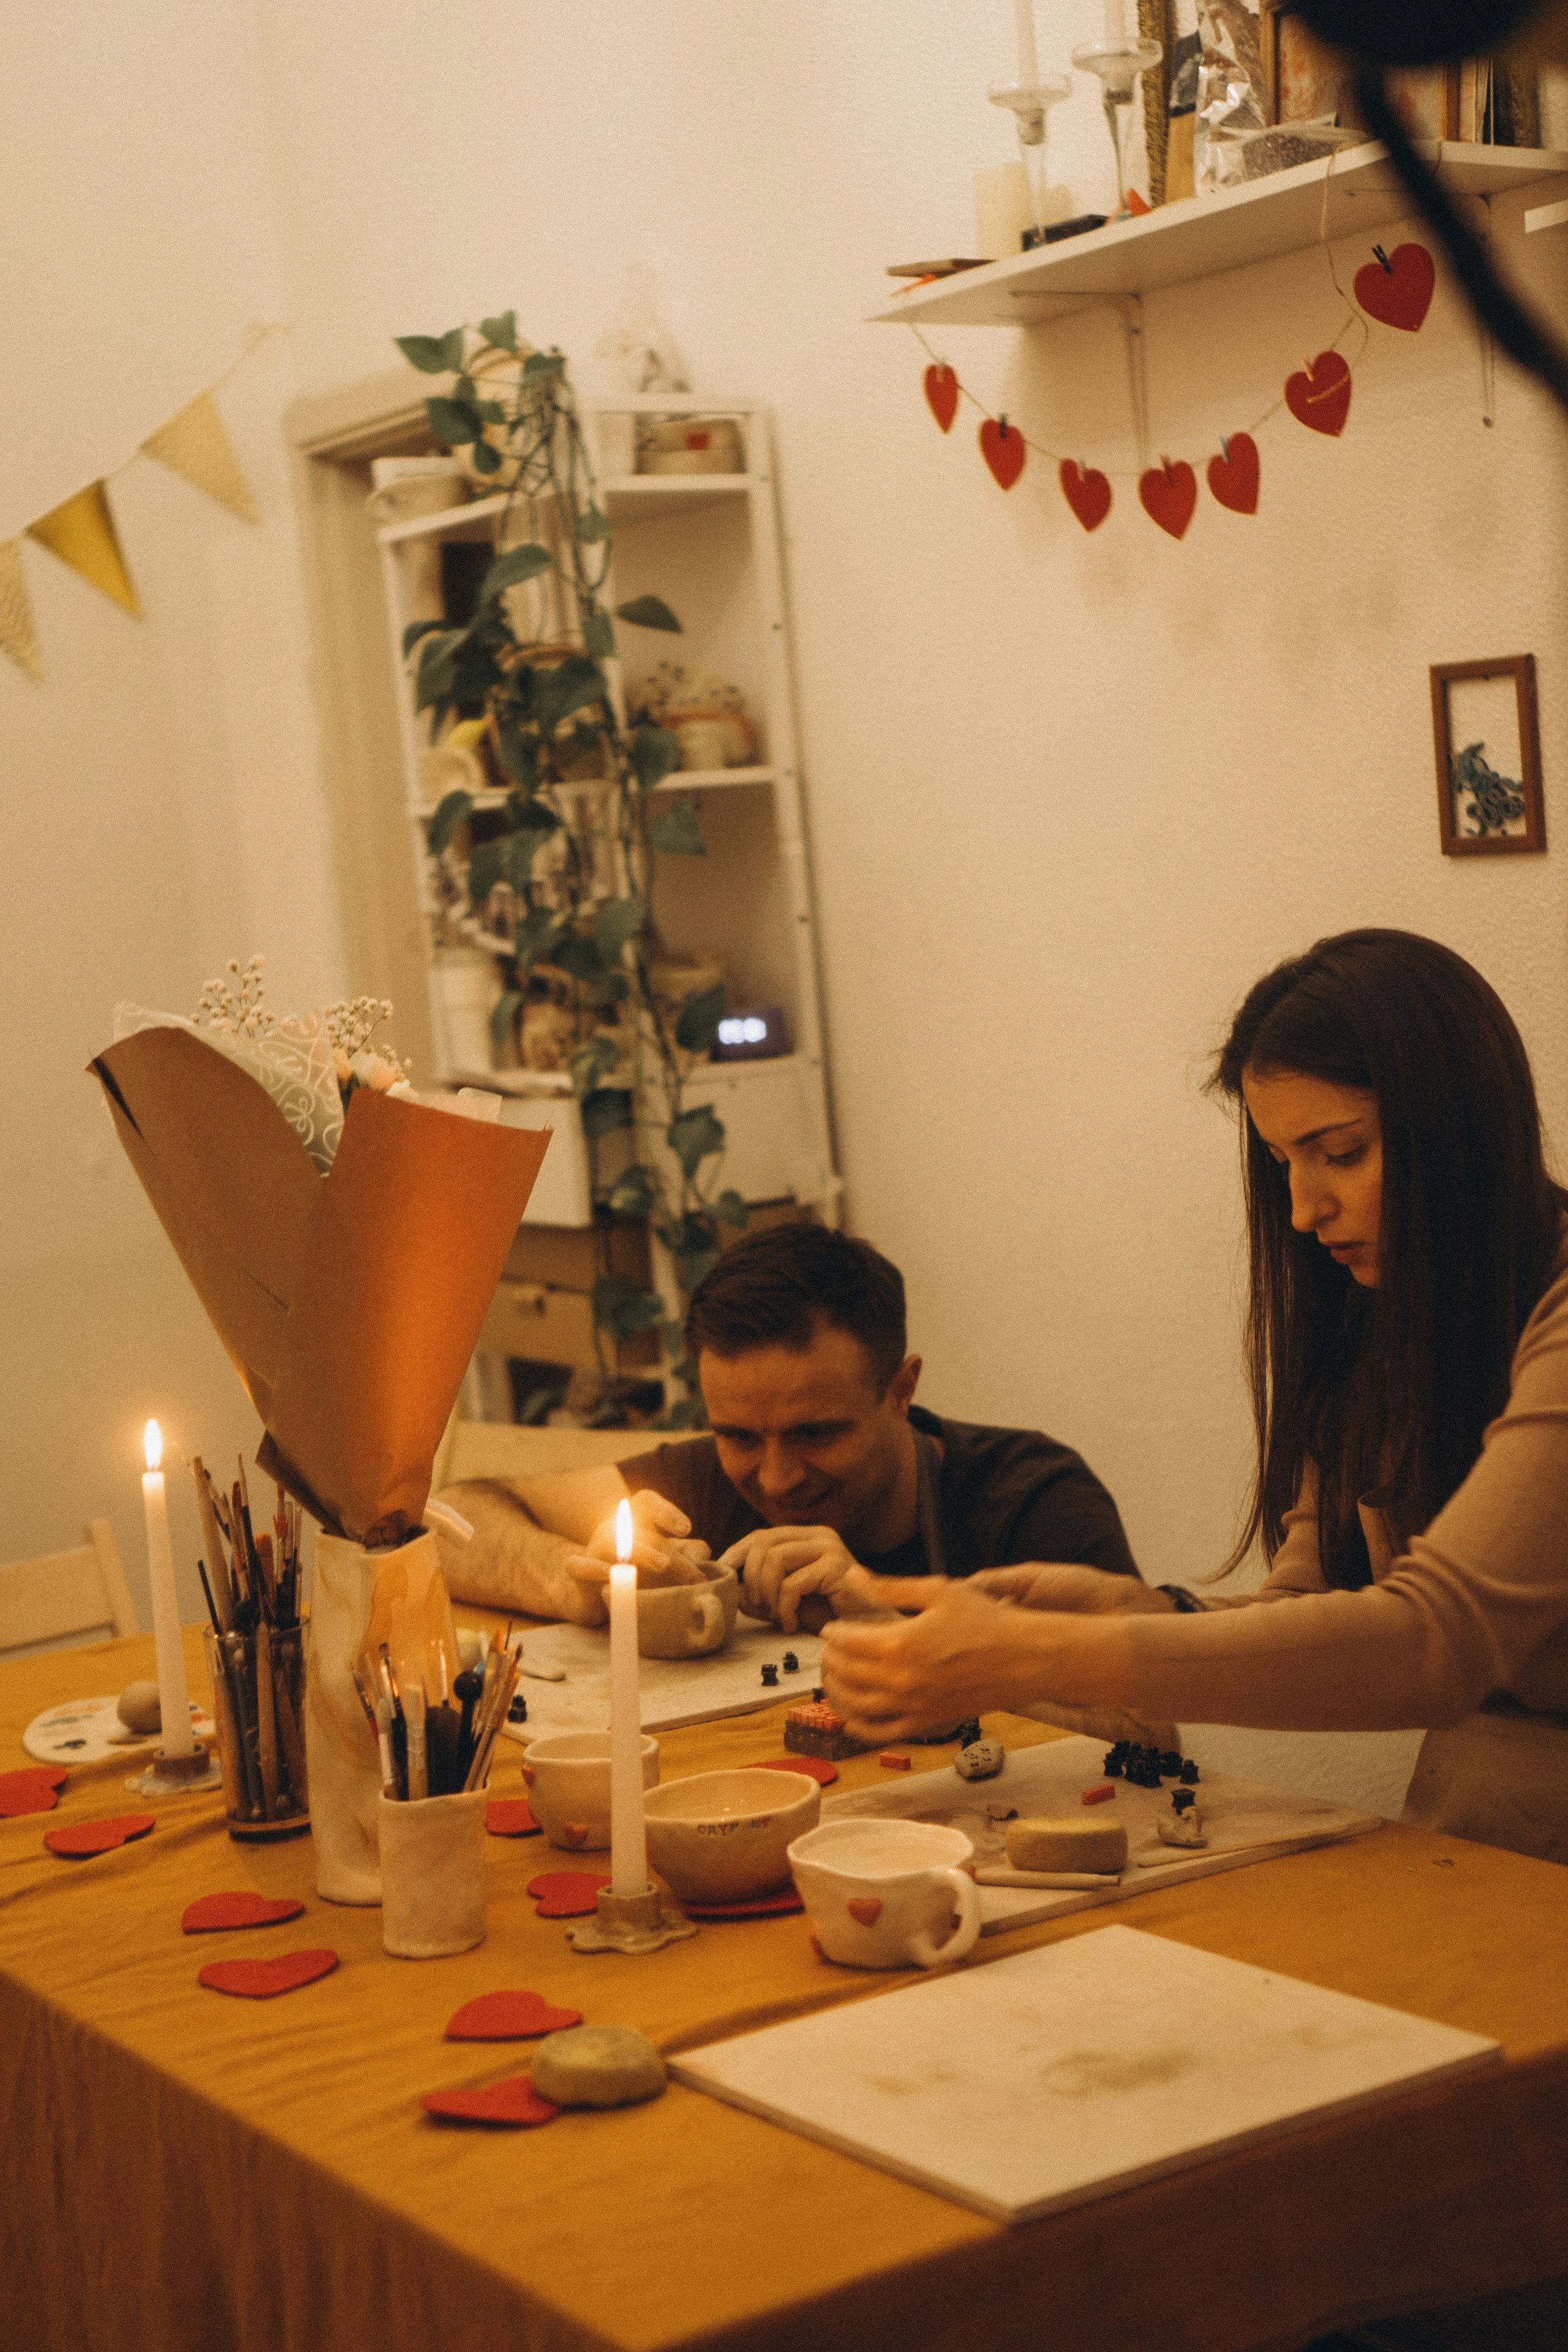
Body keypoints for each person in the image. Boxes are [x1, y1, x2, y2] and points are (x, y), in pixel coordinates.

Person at [821, 929, 1568, 1868]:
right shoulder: (1380, 1324)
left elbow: (1434, 1642)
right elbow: (1310, 1609)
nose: (1304, 1211)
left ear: (1459, 1130)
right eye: (1283, 1162)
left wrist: (1032, 1654)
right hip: (1475, 1847)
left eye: (1341, 1153)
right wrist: (1143, 1615)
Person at [435, 1223, 1143, 1639]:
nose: (775, 1479)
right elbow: (449, 1523)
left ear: (900, 1390)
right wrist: (574, 1584)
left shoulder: (1033, 1501)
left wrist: (886, 1627)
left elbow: (1147, 1733)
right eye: (739, 1436)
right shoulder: (703, 1484)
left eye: (816, 1434)